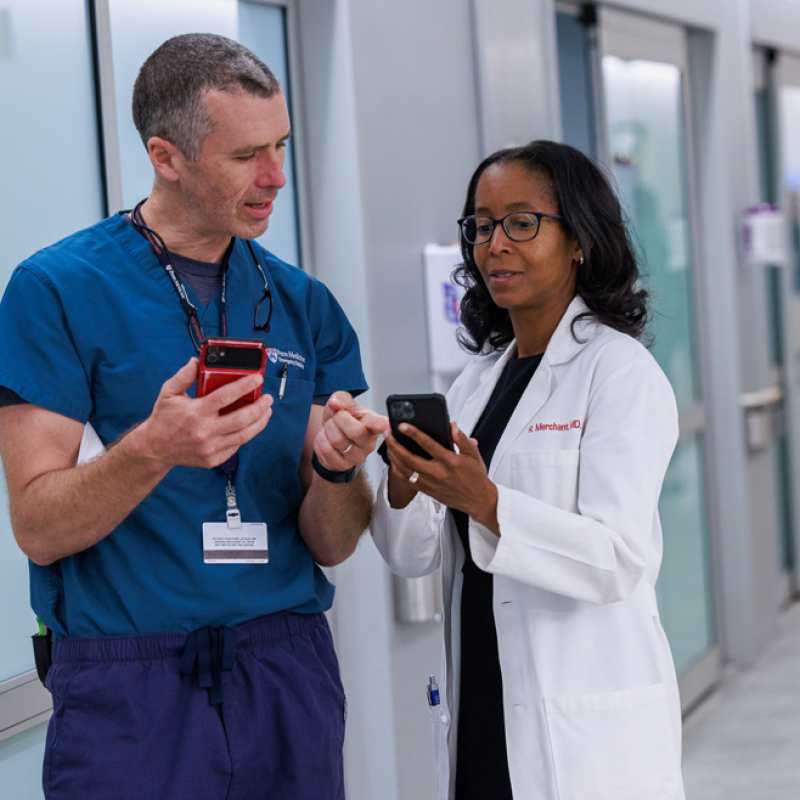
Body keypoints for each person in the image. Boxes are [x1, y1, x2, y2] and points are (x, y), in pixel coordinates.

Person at [0, 33, 382, 800]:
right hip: (132, 686)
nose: (277, 177)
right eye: (246, 156)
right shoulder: (57, 289)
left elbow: (332, 544)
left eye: (280, 146)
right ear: (166, 157)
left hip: (286, 668)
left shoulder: (304, 304)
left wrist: (341, 467)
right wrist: (154, 448)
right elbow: (38, 524)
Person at [372, 140, 685, 800]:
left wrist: (487, 504)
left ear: (579, 238)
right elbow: (415, 554)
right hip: (487, 704)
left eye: (521, 222)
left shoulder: (620, 374)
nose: (495, 245)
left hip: (582, 729)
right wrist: (404, 483)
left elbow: (618, 559)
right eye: (481, 226)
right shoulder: (478, 381)